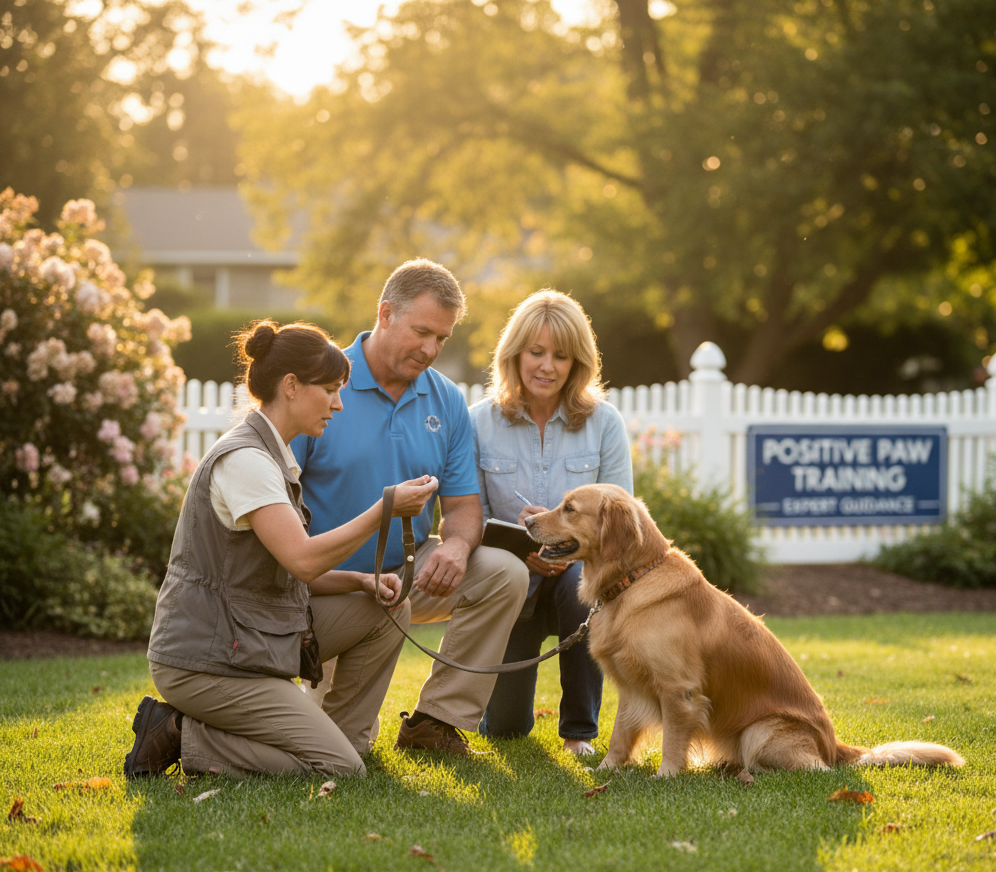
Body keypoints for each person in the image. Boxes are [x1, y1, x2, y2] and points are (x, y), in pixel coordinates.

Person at [124, 320, 437, 780]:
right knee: (340, 772)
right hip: (208, 662)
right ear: (290, 386)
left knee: (388, 609)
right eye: (329, 389)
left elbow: (291, 572)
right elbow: (303, 559)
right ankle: (176, 731)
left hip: (251, 639)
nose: (338, 403)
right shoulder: (246, 461)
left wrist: (360, 581)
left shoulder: (276, 456)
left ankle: (340, 742)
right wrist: (384, 509)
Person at [293, 259, 530, 754]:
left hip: (407, 575)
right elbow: (280, 507)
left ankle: (436, 722)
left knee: (503, 572)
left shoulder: (446, 401)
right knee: (336, 748)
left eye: (441, 339)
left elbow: (464, 506)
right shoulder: (322, 384)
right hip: (319, 584)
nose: (430, 349)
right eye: (421, 332)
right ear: (385, 314)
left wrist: (459, 547)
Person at [470, 290, 632, 755]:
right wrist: (523, 545)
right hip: (510, 577)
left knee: (581, 586)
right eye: (536, 352)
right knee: (503, 730)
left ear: (578, 361)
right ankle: (501, 715)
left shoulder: (604, 423)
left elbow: (620, 520)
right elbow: (468, 517)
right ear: (514, 354)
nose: (548, 366)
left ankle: (578, 733)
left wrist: (568, 548)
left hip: (577, 576)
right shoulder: (478, 423)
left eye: (561, 355)